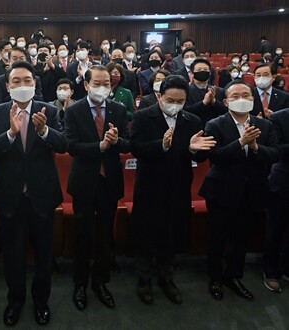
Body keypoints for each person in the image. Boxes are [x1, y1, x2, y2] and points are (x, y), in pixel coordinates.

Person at [0, 61, 68, 326]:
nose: (22, 85)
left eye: (27, 81)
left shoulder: (49, 110)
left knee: (44, 255)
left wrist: (43, 131)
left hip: (42, 193)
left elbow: (63, 144)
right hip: (10, 196)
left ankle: (41, 302)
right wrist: (10, 133)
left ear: (35, 84)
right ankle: (15, 301)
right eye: (16, 81)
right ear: (7, 86)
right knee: (13, 256)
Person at [130, 75, 215, 305]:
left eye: (180, 101)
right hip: (150, 186)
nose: (175, 104)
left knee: (171, 232)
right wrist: (162, 145)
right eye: (170, 100)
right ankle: (144, 279)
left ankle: (166, 278)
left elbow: (202, 153)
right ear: (159, 96)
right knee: (146, 234)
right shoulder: (142, 117)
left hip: (178, 185)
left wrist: (193, 150)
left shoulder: (192, 120)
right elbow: (136, 147)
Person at [199, 80, 280, 301]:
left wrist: (255, 148)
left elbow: (274, 154)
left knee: (241, 238)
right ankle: (215, 277)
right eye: (235, 96)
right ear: (225, 101)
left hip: (253, 191)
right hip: (222, 190)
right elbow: (214, 156)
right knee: (217, 237)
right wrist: (240, 143)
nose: (241, 99)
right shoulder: (215, 124)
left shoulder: (266, 125)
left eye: (246, 95)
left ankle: (234, 275)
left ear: (253, 100)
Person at [64, 65, 130, 312]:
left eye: (107, 84)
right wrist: (100, 146)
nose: (103, 88)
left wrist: (116, 141)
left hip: (109, 181)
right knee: (81, 235)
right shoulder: (74, 110)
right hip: (83, 181)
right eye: (98, 83)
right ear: (86, 85)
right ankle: (79, 283)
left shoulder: (119, 109)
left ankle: (100, 282)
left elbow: (128, 143)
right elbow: (71, 146)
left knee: (105, 235)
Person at [262, 107, 289, 292]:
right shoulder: (279, 117)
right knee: (275, 228)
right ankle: (270, 271)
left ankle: (287, 267)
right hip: (283, 181)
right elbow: (276, 149)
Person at [184, 58, 226, 127]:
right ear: (192, 73)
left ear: (209, 73)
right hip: (192, 127)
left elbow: (225, 111)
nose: (202, 71)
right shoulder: (186, 91)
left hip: (215, 128)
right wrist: (203, 103)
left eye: (205, 70)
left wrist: (214, 101)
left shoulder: (219, 91)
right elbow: (185, 111)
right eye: (199, 70)